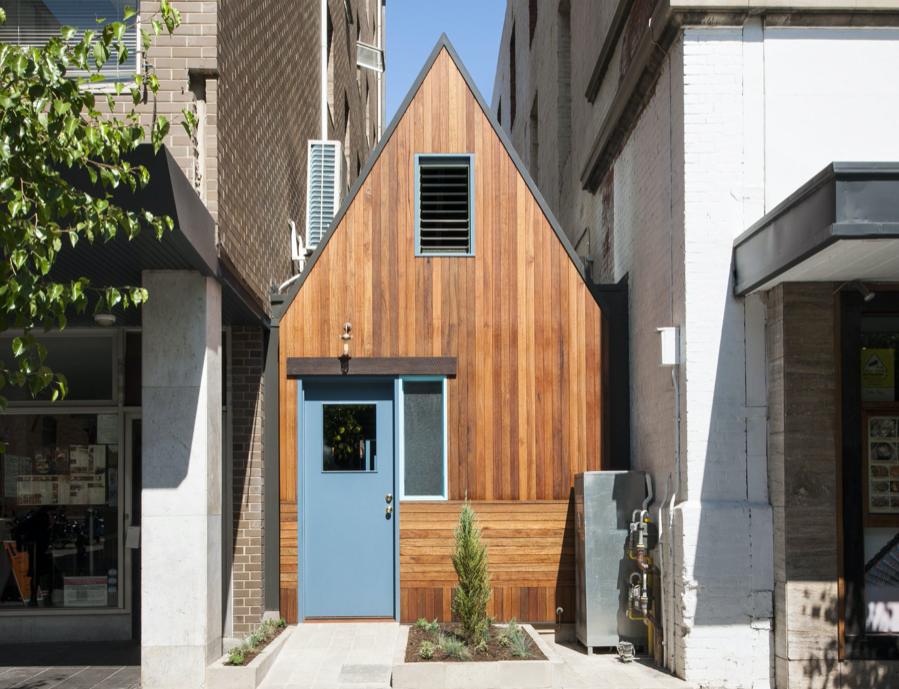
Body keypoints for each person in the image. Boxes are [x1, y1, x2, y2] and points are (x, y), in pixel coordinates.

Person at [15, 506, 54, 606]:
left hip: (42, 549)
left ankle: (42, 598)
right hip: (38, 549)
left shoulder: (45, 515)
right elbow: (21, 527)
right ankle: (35, 598)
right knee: (37, 574)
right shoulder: (39, 516)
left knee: (45, 573)